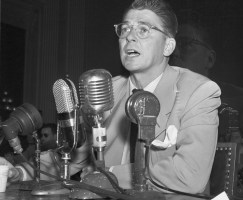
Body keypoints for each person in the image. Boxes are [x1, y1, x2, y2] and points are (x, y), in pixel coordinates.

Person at [4, 0, 221, 194]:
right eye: (125, 28)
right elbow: (73, 154)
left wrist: (109, 176)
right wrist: (20, 171)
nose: (129, 36)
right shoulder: (106, 91)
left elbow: (189, 176)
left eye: (144, 29)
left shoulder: (199, 92)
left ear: (168, 46)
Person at [169, 10, 243, 198]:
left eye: (185, 44)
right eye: (172, 43)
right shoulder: (150, 102)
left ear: (210, 59)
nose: (175, 51)